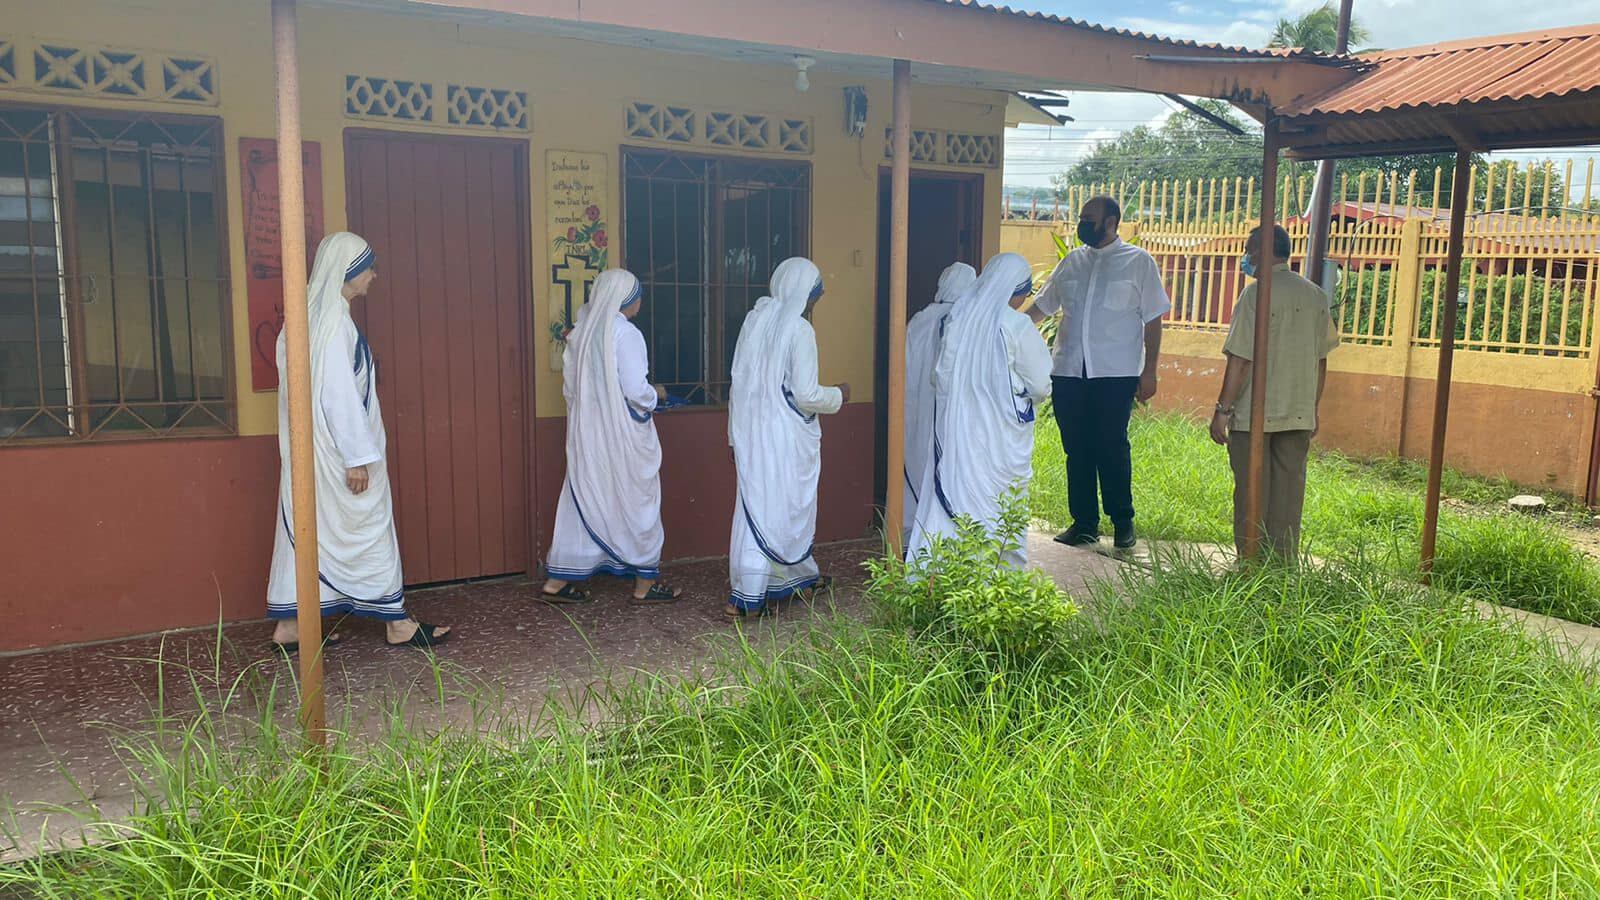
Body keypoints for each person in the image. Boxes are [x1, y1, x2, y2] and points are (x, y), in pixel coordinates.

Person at [267, 232, 450, 650]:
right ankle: (398, 623)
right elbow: (337, 394)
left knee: (309, 528)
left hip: (313, 453)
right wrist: (357, 458)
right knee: (368, 526)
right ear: (349, 272)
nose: (374, 275)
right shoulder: (333, 321)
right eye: (368, 267)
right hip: (338, 455)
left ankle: (291, 627)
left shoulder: (308, 317)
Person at [1030, 195, 1170, 550]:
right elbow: (1043, 308)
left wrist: (1149, 372)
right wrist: (1002, 324)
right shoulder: (1071, 263)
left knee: (1111, 447)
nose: (1082, 224)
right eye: (1081, 217)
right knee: (1076, 449)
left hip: (1115, 373)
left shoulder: (1139, 263)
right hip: (1069, 372)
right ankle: (1084, 523)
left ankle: (1123, 522)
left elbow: (1153, 321)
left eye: (1089, 219)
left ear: (1111, 222)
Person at [542, 269, 683, 604]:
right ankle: (644, 585)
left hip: (587, 434)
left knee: (584, 499)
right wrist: (657, 396)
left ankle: (557, 581)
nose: (640, 302)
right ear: (627, 299)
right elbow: (636, 389)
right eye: (638, 295)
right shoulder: (626, 334)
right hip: (621, 436)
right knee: (637, 502)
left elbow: (571, 388)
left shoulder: (582, 334)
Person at [907, 253, 1052, 568]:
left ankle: (945, 570)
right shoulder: (1016, 324)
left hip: (960, 428)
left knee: (957, 492)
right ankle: (996, 572)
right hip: (1001, 436)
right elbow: (1040, 384)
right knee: (998, 503)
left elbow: (940, 377)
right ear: (1018, 291)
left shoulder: (960, 318)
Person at [726, 257, 848, 617]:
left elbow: (738, 382)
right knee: (781, 509)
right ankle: (747, 594)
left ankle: (793, 579)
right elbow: (807, 394)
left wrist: (733, 437)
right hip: (785, 439)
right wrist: (840, 394)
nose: (814, 304)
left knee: (758, 507)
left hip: (751, 434)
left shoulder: (754, 322)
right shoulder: (798, 330)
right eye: (815, 296)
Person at [1210, 224, 1340, 560]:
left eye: (1249, 249)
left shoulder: (1255, 294)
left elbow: (1241, 360)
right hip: (1298, 412)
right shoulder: (1315, 296)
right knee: (1288, 496)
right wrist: (1313, 409)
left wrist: (1222, 411)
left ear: (1263, 250)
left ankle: (1250, 565)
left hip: (1254, 414)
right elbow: (1321, 361)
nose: (1246, 257)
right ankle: (1282, 567)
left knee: (1253, 494)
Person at [903, 261, 978, 542]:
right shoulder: (959, 319)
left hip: (914, 403)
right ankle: (935, 536)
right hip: (942, 408)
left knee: (915, 460)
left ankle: (911, 532)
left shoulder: (920, 318)